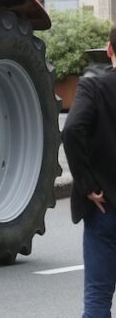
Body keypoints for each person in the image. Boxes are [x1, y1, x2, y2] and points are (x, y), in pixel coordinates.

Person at [62, 25, 116, 318]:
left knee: (97, 297)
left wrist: (87, 183)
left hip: (104, 204)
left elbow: (71, 130)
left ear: (109, 50)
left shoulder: (94, 87)